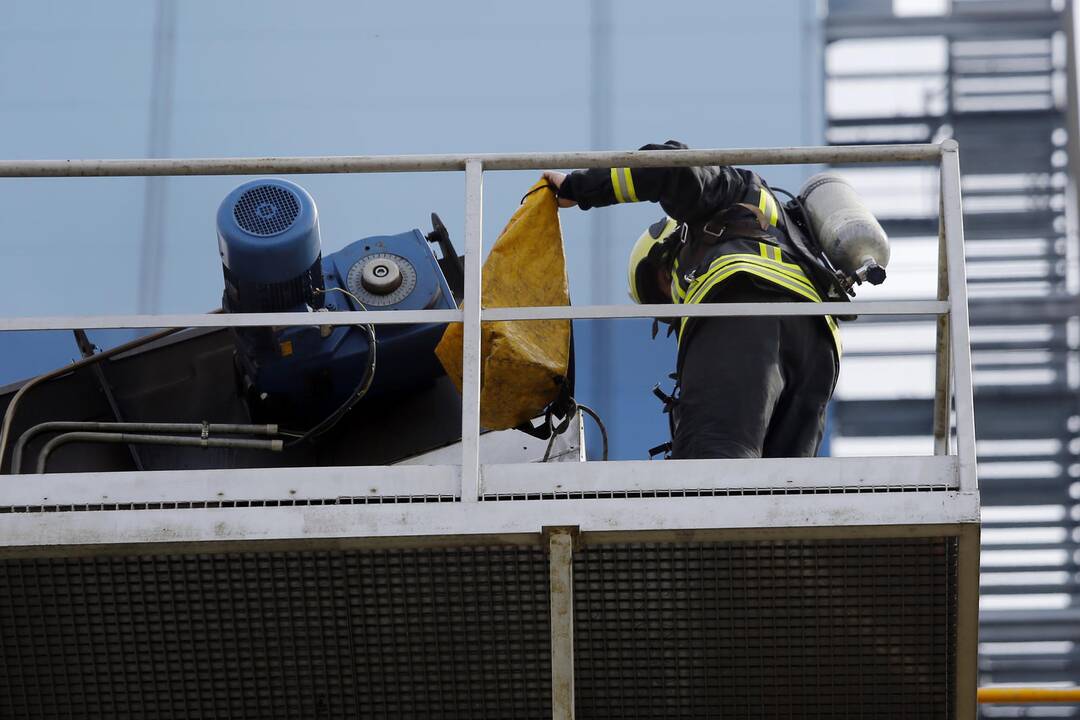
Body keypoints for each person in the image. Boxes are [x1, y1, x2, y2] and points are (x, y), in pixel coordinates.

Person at [543, 140, 844, 459]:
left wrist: (580, 187)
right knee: (787, 489)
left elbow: (670, 165)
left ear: (676, 240)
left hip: (744, 310)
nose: (675, 300)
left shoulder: (724, 193)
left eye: (661, 285)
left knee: (714, 458)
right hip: (819, 347)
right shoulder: (784, 231)